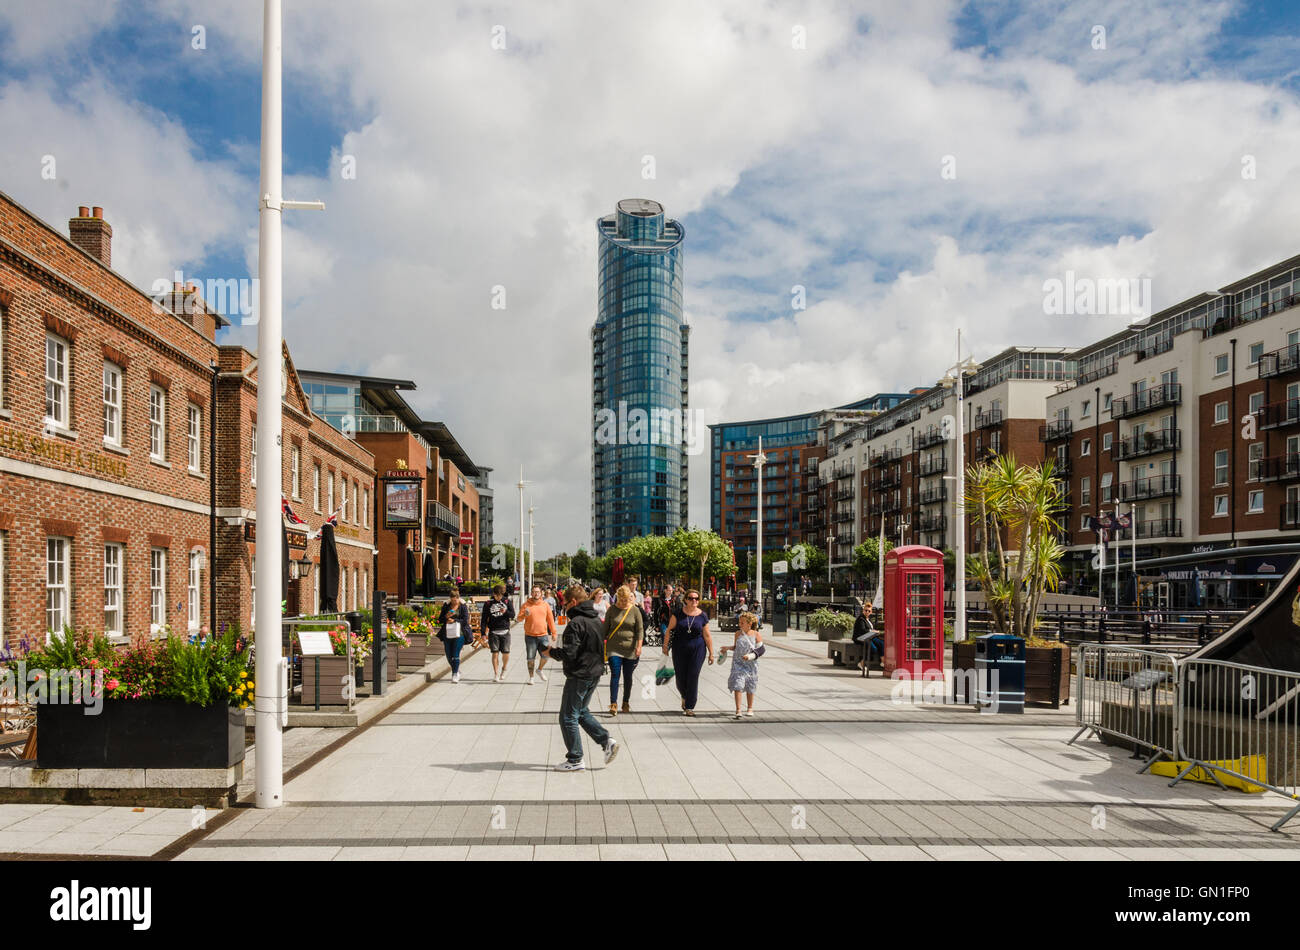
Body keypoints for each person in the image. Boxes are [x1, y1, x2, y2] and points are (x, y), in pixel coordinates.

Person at [545, 584, 619, 771]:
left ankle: (575, 759)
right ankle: (606, 741)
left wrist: (550, 652)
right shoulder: (595, 619)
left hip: (580, 674)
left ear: (574, 602)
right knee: (581, 711)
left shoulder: (576, 623)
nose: (564, 607)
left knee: (568, 717)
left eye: (566, 603)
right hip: (594, 672)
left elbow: (570, 653)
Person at [664, 588, 714, 716]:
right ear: (685, 600)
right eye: (691, 598)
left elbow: (707, 635)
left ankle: (690, 706)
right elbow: (669, 630)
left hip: (698, 648)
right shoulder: (678, 614)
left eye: (696, 599)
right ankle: (684, 696)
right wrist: (665, 647)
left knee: (693, 675)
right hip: (679, 647)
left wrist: (711, 653)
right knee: (680, 677)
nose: (694, 601)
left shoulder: (702, 615)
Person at [603, 584, 644, 716]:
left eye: (626, 599)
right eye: (622, 599)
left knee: (628, 677)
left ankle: (625, 701)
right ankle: (613, 703)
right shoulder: (612, 610)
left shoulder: (635, 611)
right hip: (614, 647)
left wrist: (639, 646)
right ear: (618, 597)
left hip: (630, 648)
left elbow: (640, 630)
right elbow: (604, 629)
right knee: (615, 674)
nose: (624, 602)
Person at [720, 611, 763, 718]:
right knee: (737, 685)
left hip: (751, 665)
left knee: (750, 685)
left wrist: (750, 656)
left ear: (749, 623)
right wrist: (727, 648)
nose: (740, 624)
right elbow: (736, 647)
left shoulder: (756, 634)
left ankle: (750, 708)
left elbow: (761, 650)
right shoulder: (738, 633)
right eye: (739, 622)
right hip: (738, 663)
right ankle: (738, 710)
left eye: (742, 622)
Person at [516, 584, 558, 684]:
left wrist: (554, 632)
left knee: (546, 656)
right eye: (534, 592)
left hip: (543, 635)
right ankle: (531, 677)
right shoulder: (526, 605)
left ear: (541, 593)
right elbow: (518, 619)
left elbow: (550, 620)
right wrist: (524, 615)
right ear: (531, 593)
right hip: (530, 636)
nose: (536, 594)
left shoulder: (545, 605)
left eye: (538, 592)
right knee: (530, 658)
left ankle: (539, 669)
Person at [437, 589, 473, 684]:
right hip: (447, 633)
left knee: (455, 654)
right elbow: (440, 619)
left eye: (455, 600)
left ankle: (455, 674)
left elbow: (465, 620)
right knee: (449, 655)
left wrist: (455, 621)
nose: (454, 602)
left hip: (460, 633)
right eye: (452, 600)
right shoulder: (446, 606)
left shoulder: (463, 606)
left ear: (458, 598)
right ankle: (456, 669)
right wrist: (446, 617)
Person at [480, 584, 514, 683]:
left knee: (506, 653)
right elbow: (484, 619)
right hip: (493, 632)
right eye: (497, 596)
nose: (499, 598)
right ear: (494, 594)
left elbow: (513, 615)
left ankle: (504, 668)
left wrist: (505, 612)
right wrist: (483, 633)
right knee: (495, 653)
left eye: (500, 596)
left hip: (505, 631)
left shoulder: (507, 601)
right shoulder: (488, 603)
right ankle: (496, 674)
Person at [853, 602, 883, 676]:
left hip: (869, 637)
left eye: (869, 611)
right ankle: (862, 663)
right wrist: (873, 631)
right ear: (863, 611)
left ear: (871, 612)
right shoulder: (860, 619)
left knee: (882, 643)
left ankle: (883, 661)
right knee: (873, 648)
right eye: (865, 610)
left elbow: (870, 629)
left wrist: (875, 632)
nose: (867, 612)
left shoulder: (868, 619)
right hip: (860, 638)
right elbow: (863, 630)